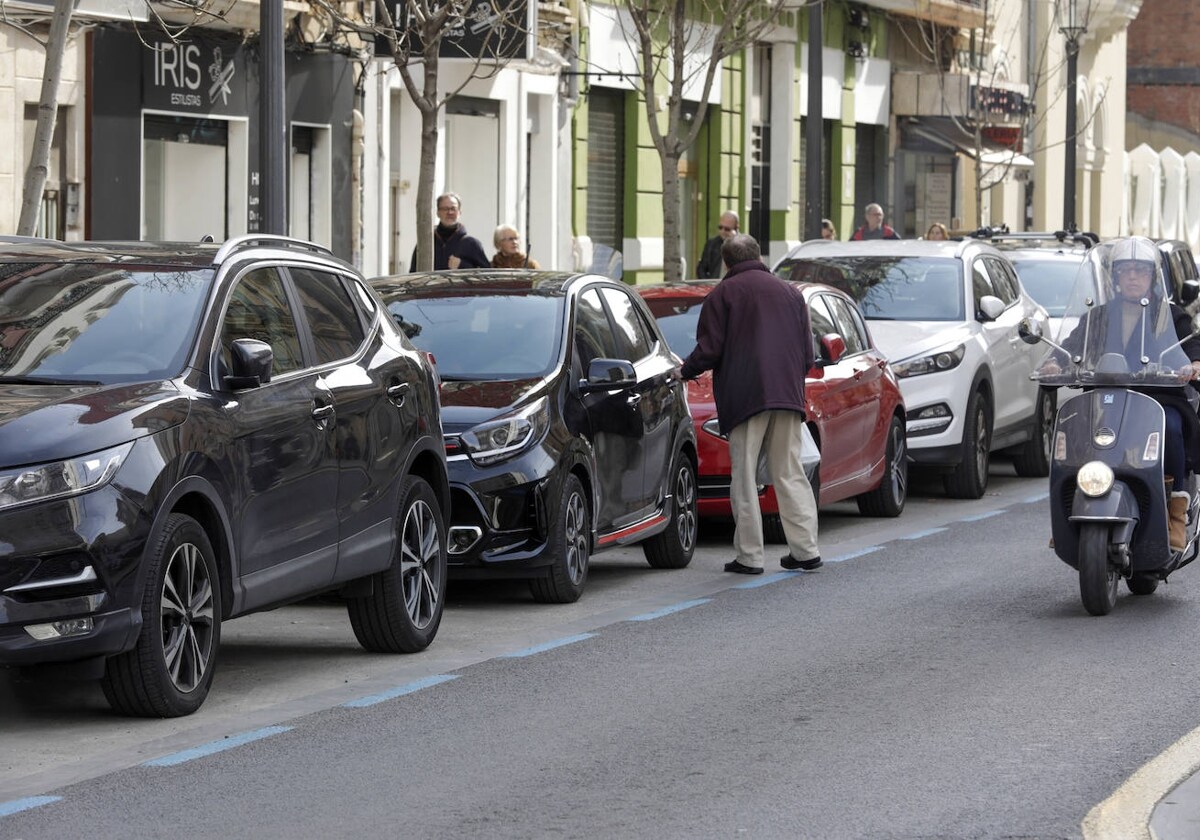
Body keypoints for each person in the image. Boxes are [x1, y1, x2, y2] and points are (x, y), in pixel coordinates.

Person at [1045, 236, 1200, 550]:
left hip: (1157, 399)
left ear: (1151, 277)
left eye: (1140, 271)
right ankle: (1069, 509)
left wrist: (1195, 362)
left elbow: (1190, 342)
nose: (1133, 277)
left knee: (1171, 427)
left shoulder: (1169, 315)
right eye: (1126, 271)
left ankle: (1175, 513)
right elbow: (1073, 346)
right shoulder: (1098, 317)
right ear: (1114, 277)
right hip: (1105, 398)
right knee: (1077, 429)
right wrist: (1054, 361)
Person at [680, 233, 822, 575]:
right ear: (758, 255)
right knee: (789, 471)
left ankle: (750, 556)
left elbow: (710, 349)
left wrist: (684, 371)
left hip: (745, 397)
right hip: (787, 396)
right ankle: (805, 550)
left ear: (726, 262)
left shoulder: (723, 295)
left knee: (744, 476)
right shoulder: (791, 294)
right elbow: (807, 355)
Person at [409, 192, 489, 271]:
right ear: (438, 213)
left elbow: (487, 276)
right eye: (445, 209)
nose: (449, 212)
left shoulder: (472, 244)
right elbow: (413, 274)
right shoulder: (426, 243)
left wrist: (462, 266)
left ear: (459, 212)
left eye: (453, 209)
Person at [696, 211, 739, 279]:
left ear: (736, 228)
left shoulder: (743, 245)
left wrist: (733, 241)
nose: (722, 231)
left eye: (727, 229)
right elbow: (701, 269)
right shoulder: (711, 244)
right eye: (720, 227)